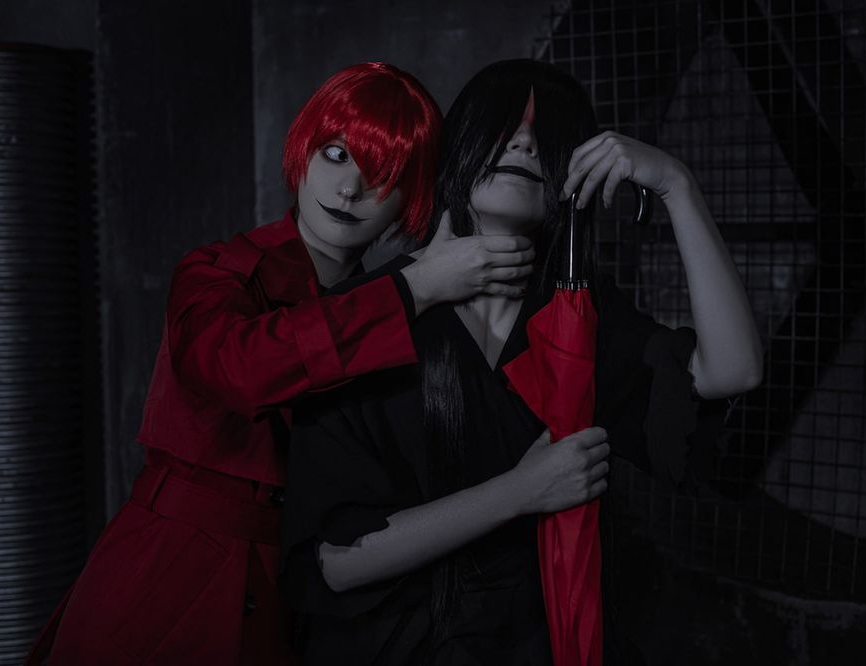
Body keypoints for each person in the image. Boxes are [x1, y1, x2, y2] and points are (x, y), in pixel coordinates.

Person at [26, 62, 538, 665]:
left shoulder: (409, 306)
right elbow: (238, 368)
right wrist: (414, 288)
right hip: (174, 571)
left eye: (383, 174)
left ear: (412, 197)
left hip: (308, 597)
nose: (348, 190)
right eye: (336, 155)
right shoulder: (218, 273)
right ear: (304, 151)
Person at [280, 59, 763, 665]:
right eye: (505, 122)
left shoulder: (578, 314)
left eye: (546, 131)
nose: (525, 142)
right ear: (461, 145)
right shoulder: (368, 312)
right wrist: (521, 491)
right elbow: (337, 562)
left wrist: (677, 186)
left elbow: (734, 371)